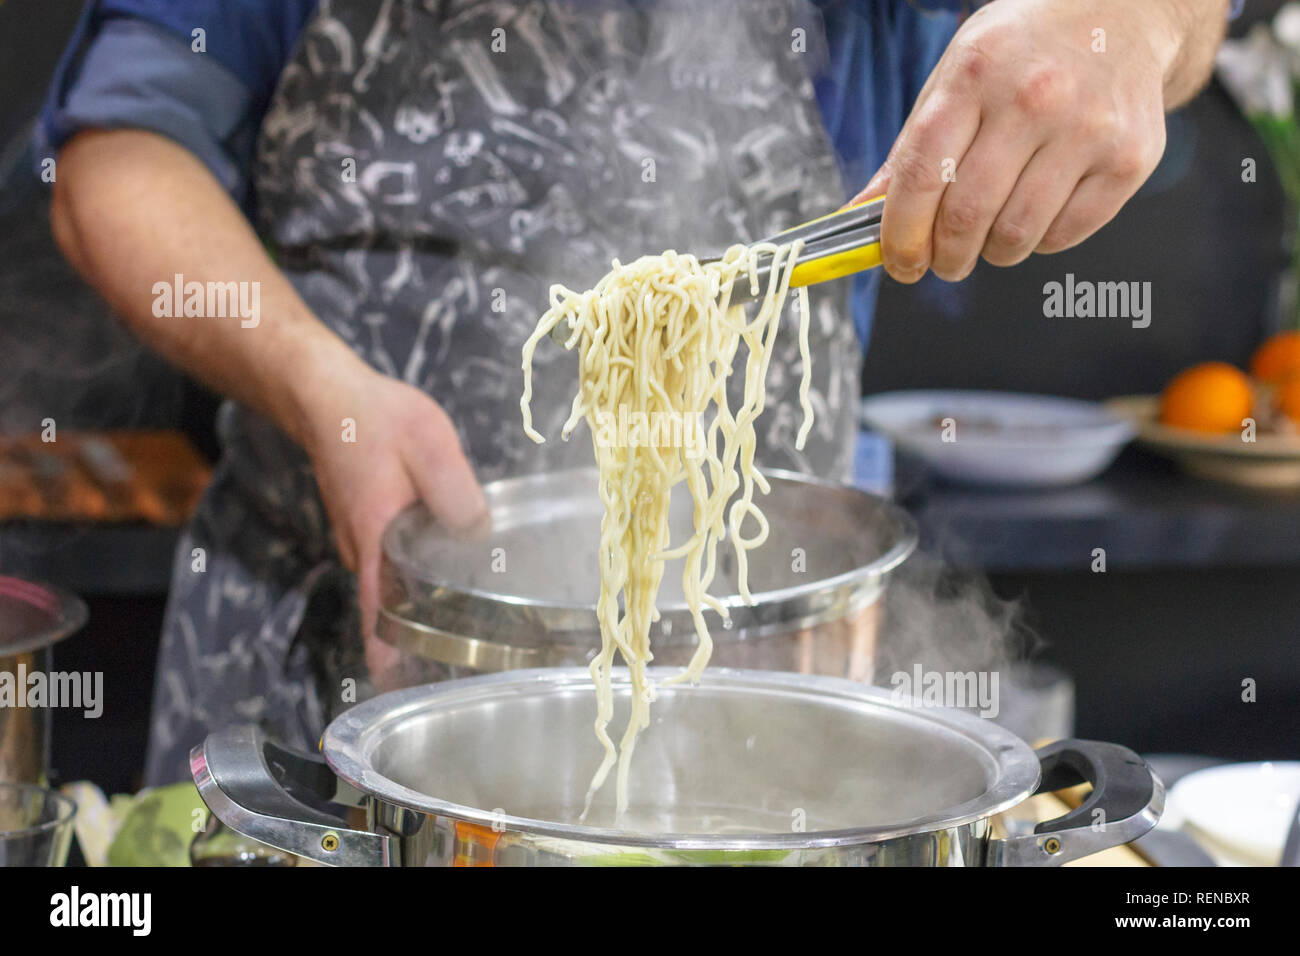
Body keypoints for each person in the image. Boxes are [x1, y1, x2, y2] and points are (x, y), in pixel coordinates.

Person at [41, 0, 1231, 785]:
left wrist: (1125, 24)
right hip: (315, 640)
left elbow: (1174, 17)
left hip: (763, 677)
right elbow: (115, 157)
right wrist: (322, 390)